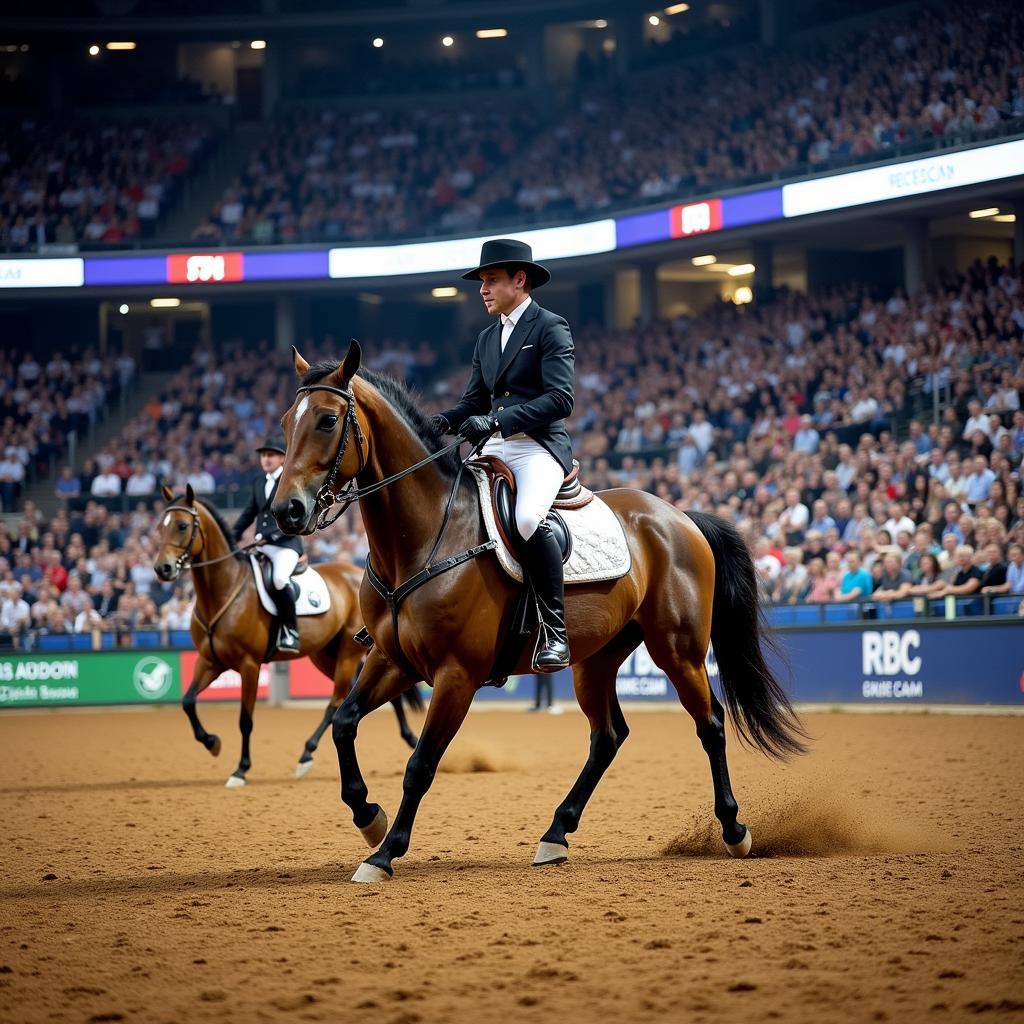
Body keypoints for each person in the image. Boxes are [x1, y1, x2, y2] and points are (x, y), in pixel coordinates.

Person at [434, 238, 574, 671]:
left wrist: (496, 422)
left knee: (528, 518)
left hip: (538, 447)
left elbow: (561, 399)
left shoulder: (550, 326)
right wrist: (439, 422)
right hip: (495, 446)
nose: (482, 289)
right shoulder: (486, 338)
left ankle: (555, 631)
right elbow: (473, 402)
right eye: (481, 281)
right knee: (443, 507)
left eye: (491, 280)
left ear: (520, 279)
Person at [231, 435, 303, 653]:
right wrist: (232, 535)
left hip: (286, 545)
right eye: (263, 455)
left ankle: (291, 630)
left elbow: (295, 516)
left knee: (280, 579)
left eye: (271, 455)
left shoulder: (291, 480)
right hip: (261, 545)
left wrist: (269, 537)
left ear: (282, 459)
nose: (266, 459)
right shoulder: (259, 482)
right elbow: (249, 513)